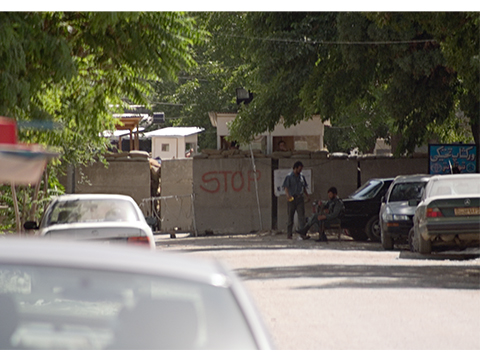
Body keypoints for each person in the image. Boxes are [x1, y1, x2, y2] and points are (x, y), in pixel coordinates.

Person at [282, 161, 310, 239]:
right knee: (290, 216)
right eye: (299, 169)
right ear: (295, 168)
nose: (300, 171)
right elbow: (286, 187)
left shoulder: (302, 177)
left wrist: (307, 196)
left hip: (300, 198)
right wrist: (288, 196)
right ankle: (289, 234)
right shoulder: (289, 177)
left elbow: (304, 187)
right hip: (292, 198)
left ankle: (303, 234)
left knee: (301, 217)